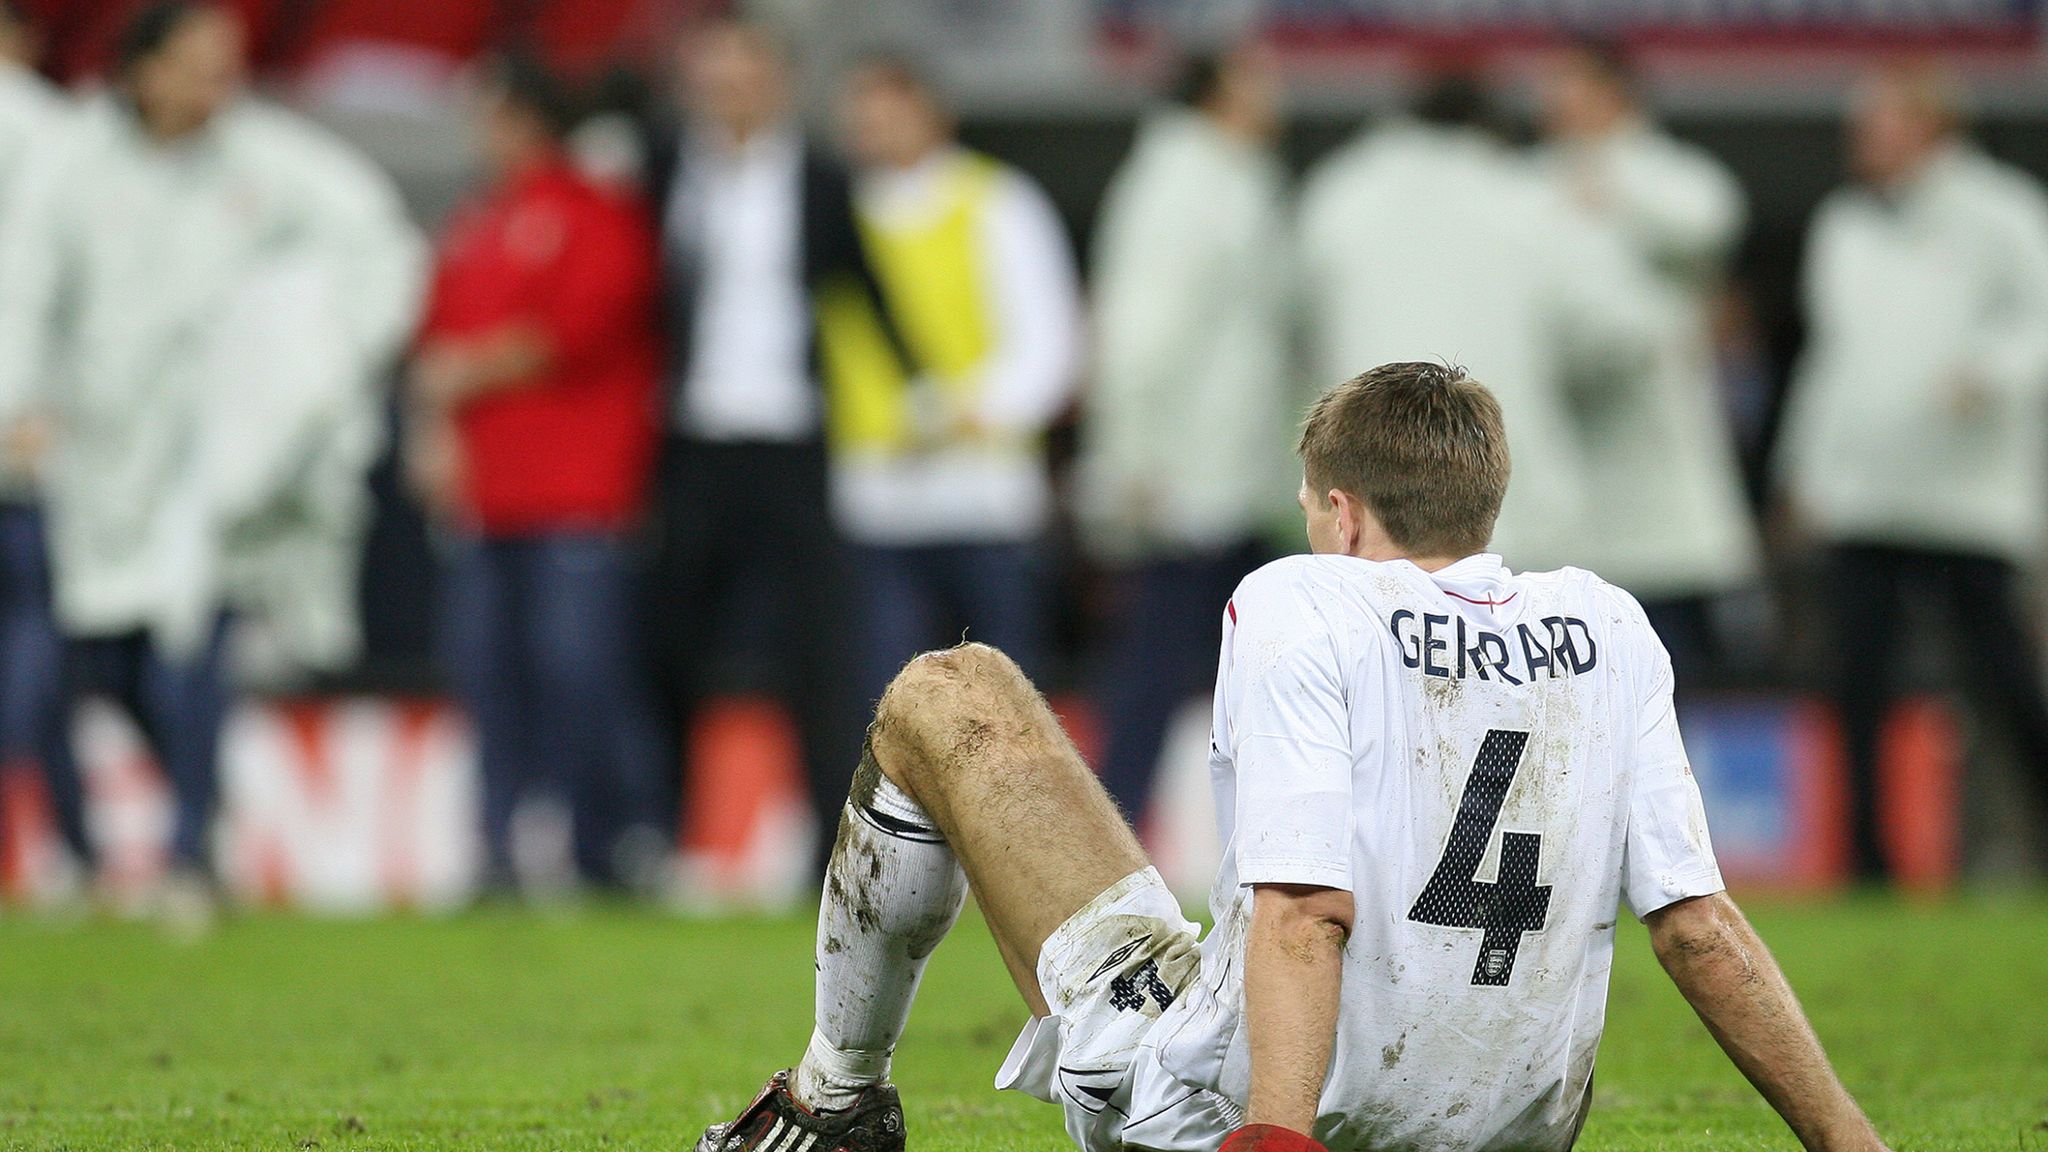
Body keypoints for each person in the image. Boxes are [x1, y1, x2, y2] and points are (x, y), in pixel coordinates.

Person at [693, 362, 1893, 1152]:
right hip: (1504, 1129)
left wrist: (1272, 1138)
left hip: (1256, 1110)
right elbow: (1696, 928)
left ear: (1341, 514)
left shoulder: (1303, 599)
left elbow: (1306, 909)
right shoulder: (1604, 624)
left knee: (947, 691)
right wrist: (1845, 1138)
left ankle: (836, 1100)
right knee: (1178, 930)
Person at [0, 0, 419, 921]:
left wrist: (336, 362)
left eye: (225, 64)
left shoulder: (269, 161)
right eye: (195, 64)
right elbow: (25, 289)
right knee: (91, 669)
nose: (215, 84)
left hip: (213, 471)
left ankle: (188, 852)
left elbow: (376, 241)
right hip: (96, 463)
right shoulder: (73, 163)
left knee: (192, 656)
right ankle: (80, 855)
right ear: (142, 70)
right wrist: (16, 401)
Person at [1778, 61, 2048, 883]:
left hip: (1967, 498)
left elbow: (2040, 318)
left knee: (2004, 682)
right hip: (1865, 497)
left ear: (1931, 126)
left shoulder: (2003, 212)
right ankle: (1868, 863)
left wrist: (1990, 373)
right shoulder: (1845, 225)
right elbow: (1832, 360)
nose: (1862, 142)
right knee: (1855, 684)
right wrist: (1804, 470)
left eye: (1881, 124)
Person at [409, 53, 667, 895]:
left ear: (526, 119)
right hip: (488, 495)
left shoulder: (595, 212)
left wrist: (463, 375)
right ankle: (495, 852)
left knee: (578, 671)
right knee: (488, 674)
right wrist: (435, 431)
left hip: (576, 489)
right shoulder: (477, 220)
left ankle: (611, 843)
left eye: (489, 116)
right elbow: (434, 342)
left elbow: (580, 331)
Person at [642, 19, 895, 856]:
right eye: (712, 81)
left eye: (742, 79)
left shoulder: (819, 178)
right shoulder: (664, 170)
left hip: (791, 439)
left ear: (778, 84)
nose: (727, 96)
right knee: (668, 636)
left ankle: (829, 844)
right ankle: (661, 836)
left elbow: (867, 293)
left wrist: (922, 393)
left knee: (819, 648)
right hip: (692, 439)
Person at [1297, 74, 1657, 573]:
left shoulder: (1338, 194)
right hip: (1506, 508)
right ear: (1490, 129)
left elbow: (1290, 321)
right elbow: (1627, 333)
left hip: (1361, 510)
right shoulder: (1531, 199)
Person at [820, 53, 1081, 710]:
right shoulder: (836, 214)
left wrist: (964, 415)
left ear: (934, 114)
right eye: (863, 120)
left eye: (891, 115)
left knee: (1006, 711)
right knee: (886, 711)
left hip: (982, 499)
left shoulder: (996, 202)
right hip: (875, 501)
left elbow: (1050, 345)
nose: (876, 133)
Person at [1076, 43, 1291, 822]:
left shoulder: (1228, 176)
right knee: (1152, 669)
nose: (1276, 93)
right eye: (1258, 77)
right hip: (1184, 479)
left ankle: (1255, 836)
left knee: (1233, 666)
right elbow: (1142, 334)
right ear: (1218, 90)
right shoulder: (1179, 185)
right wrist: (1133, 462)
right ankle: (1103, 842)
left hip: (1232, 475)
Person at [1538, 42, 1761, 685]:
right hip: (1569, 471)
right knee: (1571, 685)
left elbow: (1713, 219)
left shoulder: (1668, 176)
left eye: (1569, 85)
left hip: (1664, 474)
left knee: (1664, 682)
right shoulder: (1533, 180)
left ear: (1614, 93)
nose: (1554, 103)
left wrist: (1611, 189)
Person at [0, 0, 88, 886]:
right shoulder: (59, 134)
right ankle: (70, 847)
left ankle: (69, 847)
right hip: (34, 433)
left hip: (26, 421)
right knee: (41, 636)